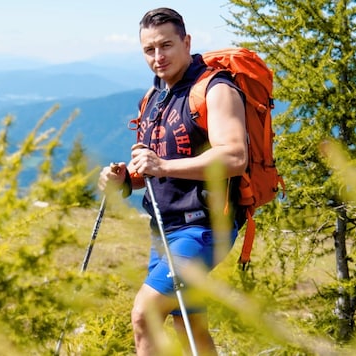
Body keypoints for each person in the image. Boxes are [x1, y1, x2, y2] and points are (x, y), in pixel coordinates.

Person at [97, 7, 247, 356]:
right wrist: (124, 179)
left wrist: (162, 165)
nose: (158, 57)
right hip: (164, 230)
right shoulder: (154, 98)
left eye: (166, 46)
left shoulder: (214, 90)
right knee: (189, 328)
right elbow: (151, 169)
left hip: (204, 227)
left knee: (145, 314)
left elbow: (235, 157)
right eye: (149, 50)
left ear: (186, 42)